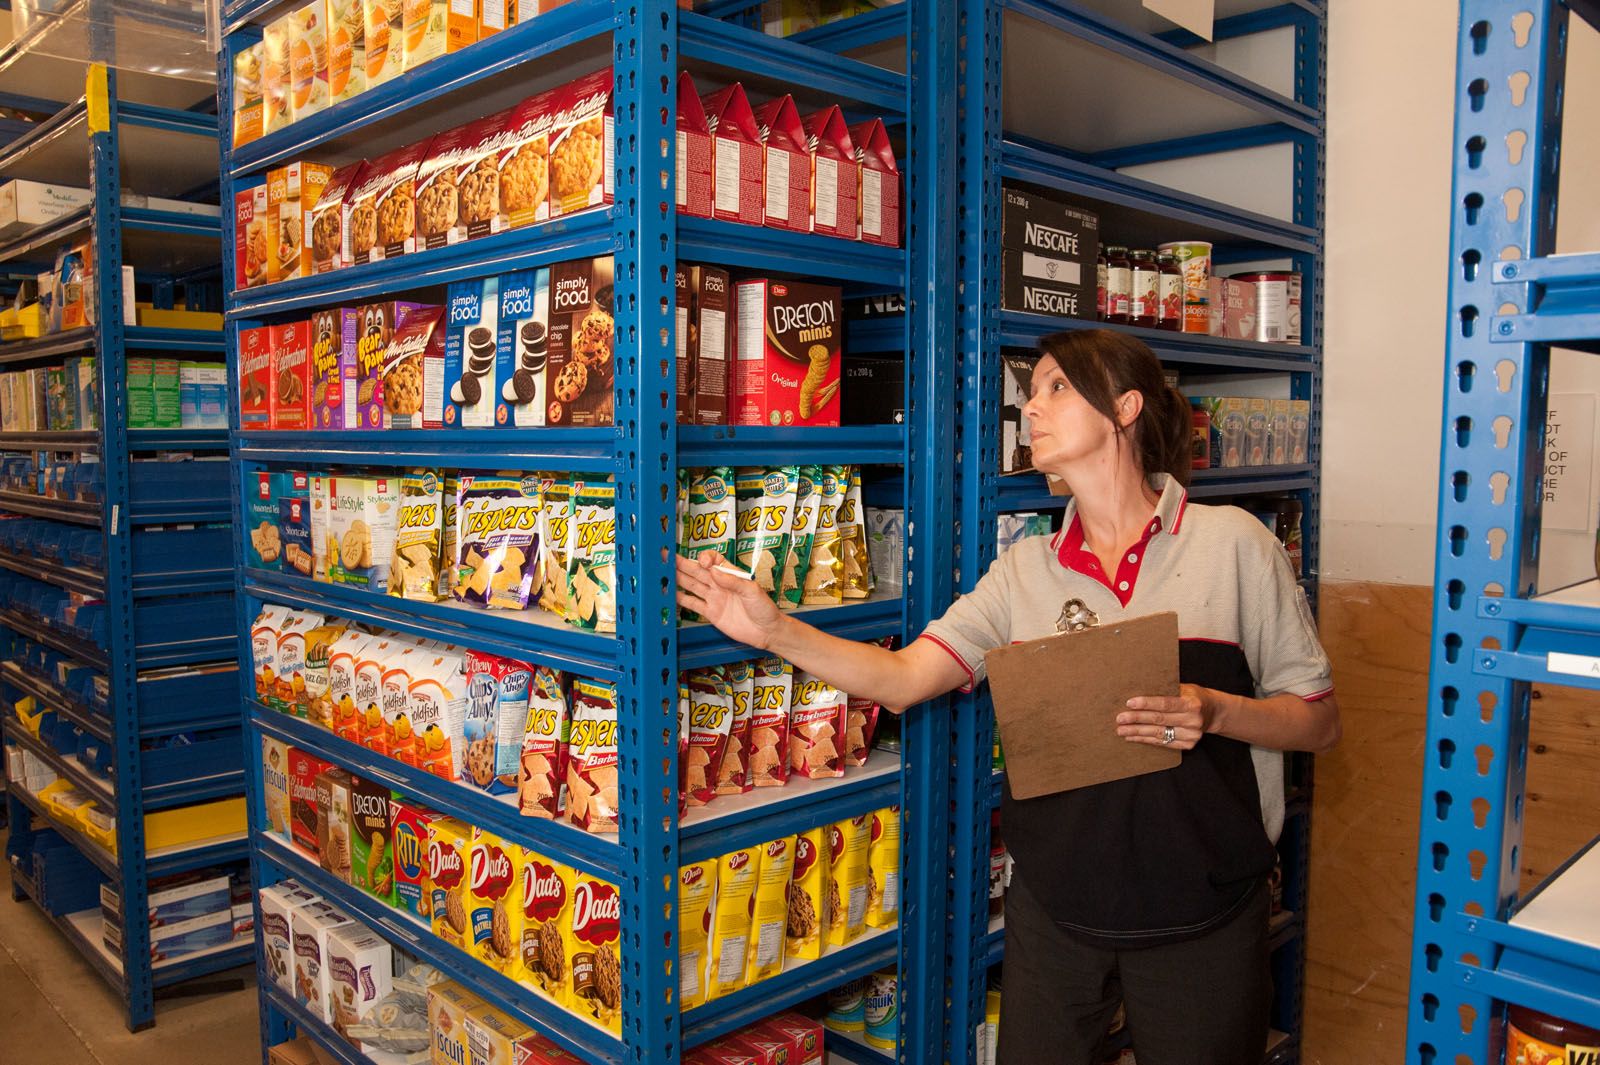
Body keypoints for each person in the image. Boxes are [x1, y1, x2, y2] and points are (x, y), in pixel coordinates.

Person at [675, 328, 1339, 1065]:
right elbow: (901, 680)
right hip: (1055, 918)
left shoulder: (1234, 546)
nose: (1031, 405)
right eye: (1032, 390)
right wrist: (773, 629)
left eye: (1057, 386)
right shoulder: (1025, 570)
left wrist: (1218, 711)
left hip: (1202, 917)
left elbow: (1319, 719)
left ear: (1124, 407)